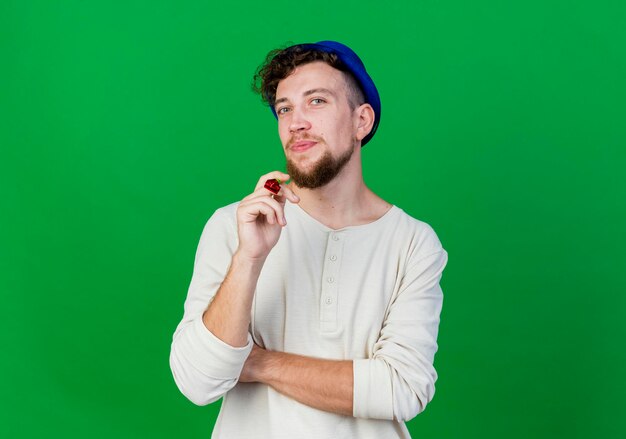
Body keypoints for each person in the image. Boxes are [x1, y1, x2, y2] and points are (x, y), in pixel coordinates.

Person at [169, 40, 448, 439]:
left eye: (316, 102)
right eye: (284, 108)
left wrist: (256, 363)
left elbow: (403, 388)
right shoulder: (234, 225)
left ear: (361, 121)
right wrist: (249, 257)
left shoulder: (414, 243)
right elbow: (198, 382)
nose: (296, 122)